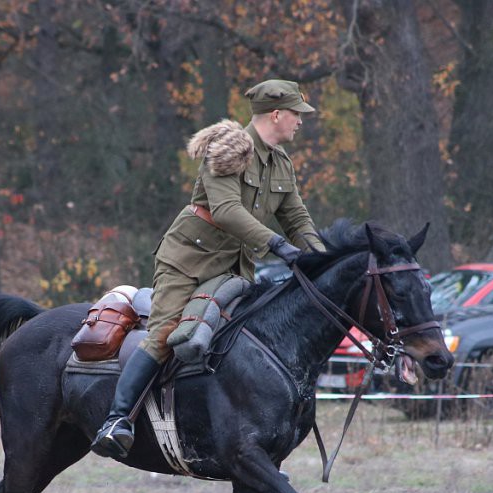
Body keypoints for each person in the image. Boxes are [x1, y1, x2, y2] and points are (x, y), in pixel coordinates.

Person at [91, 79, 326, 459]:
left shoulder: (281, 163)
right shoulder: (229, 151)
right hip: (188, 261)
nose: (301, 121)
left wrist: (322, 259)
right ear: (277, 114)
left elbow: (296, 218)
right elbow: (226, 211)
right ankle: (117, 421)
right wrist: (277, 245)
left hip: (234, 269)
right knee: (165, 333)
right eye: (297, 114)